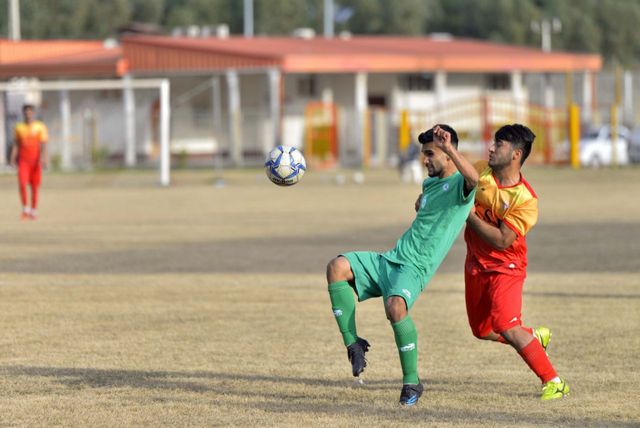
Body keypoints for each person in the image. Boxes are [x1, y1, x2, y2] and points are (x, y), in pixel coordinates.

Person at [326, 124, 478, 406]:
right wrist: (422, 203)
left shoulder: (460, 185)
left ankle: (412, 382)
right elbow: (429, 207)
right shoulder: (430, 184)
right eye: (424, 154)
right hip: (391, 259)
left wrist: (450, 148)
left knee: (395, 308)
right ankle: (353, 343)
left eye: (430, 153)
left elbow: (474, 178)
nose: (425, 160)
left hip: (413, 269)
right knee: (337, 266)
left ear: (447, 154)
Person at [464, 123, 569, 401]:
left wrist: (467, 214)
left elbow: (501, 240)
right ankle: (532, 337)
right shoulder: (481, 170)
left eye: (499, 144)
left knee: (507, 325)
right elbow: (452, 179)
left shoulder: (526, 199)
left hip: (506, 267)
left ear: (516, 154)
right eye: (493, 142)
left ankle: (554, 381)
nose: (491, 147)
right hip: (475, 262)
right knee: (481, 330)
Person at [10, 104, 48, 220]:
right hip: (23, 162)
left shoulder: (40, 127)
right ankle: (25, 209)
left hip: (36, 162)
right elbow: (16, 144)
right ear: (23, 113)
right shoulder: (19, 127)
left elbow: (44, 144)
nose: (28, 114)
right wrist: (12, 158)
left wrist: (44, 158)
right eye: (26, 112)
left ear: (33, 113)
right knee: (22, 184)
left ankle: (34, 210)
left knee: (35, 187)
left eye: (30, 112)